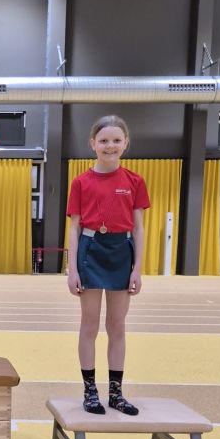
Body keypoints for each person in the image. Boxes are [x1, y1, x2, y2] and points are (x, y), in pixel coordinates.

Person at [66, 115, 150, 416]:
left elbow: (138, 228)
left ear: (126, 143)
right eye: (103, 140)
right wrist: (72, 269)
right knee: (89, 324)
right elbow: (74, 227)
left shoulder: (135, 181)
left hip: (121, 253)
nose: (110, 146)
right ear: (93, 144)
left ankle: (116, 393)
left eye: (116, 140)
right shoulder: (80, 182)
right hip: (91, 251)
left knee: (117, 325)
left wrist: (137, 268)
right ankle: (90, 391)